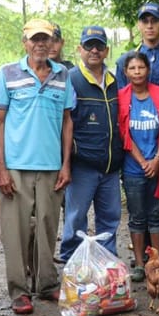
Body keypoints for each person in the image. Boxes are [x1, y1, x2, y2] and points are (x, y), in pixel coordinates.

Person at [0, 19, 74, 314]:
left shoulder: (62, 75)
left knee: (47, 226)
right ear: (24, 42)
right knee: (15, 232)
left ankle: (47, 284)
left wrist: (66, 164)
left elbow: (67, 122)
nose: (40, 44)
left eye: (46, 39)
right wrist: (1, 168)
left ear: (53, 43)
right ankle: (18, 291)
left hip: (51, 165)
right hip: (16, 166)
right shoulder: (8, 73)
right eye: (34, 39)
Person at [59, 25, 123, 259]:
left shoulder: (115, 81)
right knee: (76, 219)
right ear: (79, 49)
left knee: (110, 220)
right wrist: (66, 163)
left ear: (106, 51)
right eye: (89, 46)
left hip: (110, 166)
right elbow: (65, 123)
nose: (94, 50)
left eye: (99, 46)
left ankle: (108, 269)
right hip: (82, 165)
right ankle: (72, 266)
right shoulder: (71, 80)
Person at [118, 52, 159, 281]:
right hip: (133, 169)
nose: (137, 72)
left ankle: (156, 261)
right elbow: (124, 133)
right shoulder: (121, 97)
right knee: (137, 216)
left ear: (148, 70)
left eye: (141, 67)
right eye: (132, 68)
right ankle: (139, 264)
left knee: (157, 214)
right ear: (126, 72)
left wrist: (157, 160)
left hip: (157, 166)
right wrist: (142, 162)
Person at [115, 2, 159, 88]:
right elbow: (120, 95)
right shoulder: (124, 61)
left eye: (154, 21)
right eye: (145, 21)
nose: (149, 26)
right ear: (138, 25)